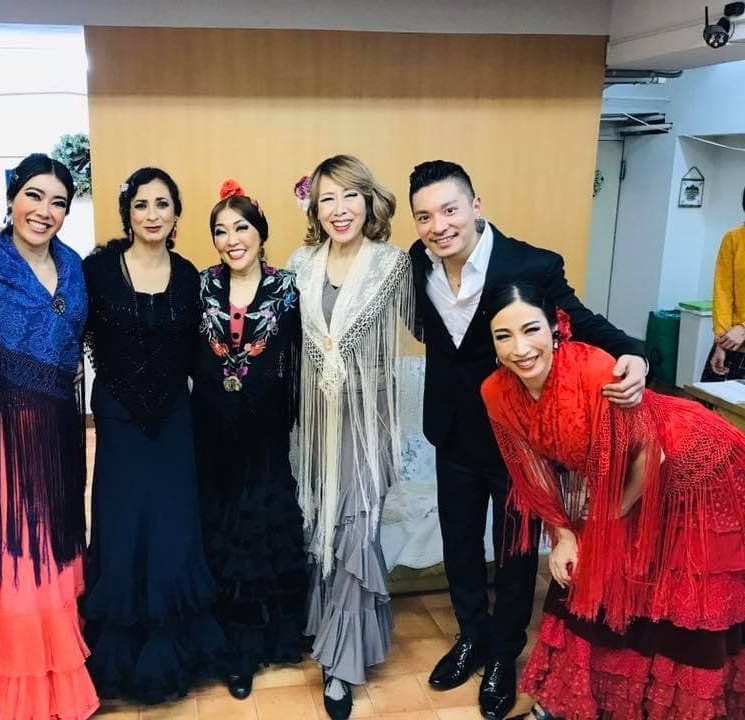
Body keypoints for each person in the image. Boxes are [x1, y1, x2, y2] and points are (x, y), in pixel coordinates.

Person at [407, 160, 647, 720]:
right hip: (451, 429)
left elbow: (582, 321)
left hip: (517, 435)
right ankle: (471, 636)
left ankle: (503, 653)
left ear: (476, 206)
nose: (439, 226)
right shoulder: (418, 261)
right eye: (425, 216)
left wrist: (635, 352)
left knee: (515, 551)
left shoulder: (530, 264)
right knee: (459, 542)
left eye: (449, 210)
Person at [481, 281, 745, 720]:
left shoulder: (593, 370)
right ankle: (580, 699)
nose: (520, 349)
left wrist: (604, 519)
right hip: (634, 475)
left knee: (677, 594)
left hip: (694, 467)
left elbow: (650, 454)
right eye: (503, 336)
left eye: (531, 330)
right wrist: (564, 536)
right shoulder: (496, 392)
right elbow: (531, 469)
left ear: (556, 328)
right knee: (596, 575)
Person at [0, 154, 98, 720]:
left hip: (59, 431)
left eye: (58, 202)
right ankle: (14, 688)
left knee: (56, 545)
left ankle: (60, 673)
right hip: (4, 441)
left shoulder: (74, 266)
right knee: (16, 552)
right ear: (12, 199)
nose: (45, 211)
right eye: (34, 196)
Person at [81, 167, 225, 704]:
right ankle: (122, 652)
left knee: (172, 529)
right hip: (118, 423)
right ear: (127, 213)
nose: (152, 214)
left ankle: (173, 648)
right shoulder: (96, 271)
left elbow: (200, 353)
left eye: (162, 204)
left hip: (174, 424)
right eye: (141, 204)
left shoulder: (189, 276)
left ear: (176, 214)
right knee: (122, 528)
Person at [287, 155, 415, 720]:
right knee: (322, 522)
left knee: (358, 527)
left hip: (368, 423)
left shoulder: (393, 265)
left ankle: (341, 664)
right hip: (317, 422)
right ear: (315, 208)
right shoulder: (301, 264)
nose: (339, 210)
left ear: (369, 201)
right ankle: (325, 628)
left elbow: (431, 325)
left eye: (349, 196)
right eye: (327, 199)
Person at [192, 180, 307, 700]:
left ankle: (255, 645)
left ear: (260, 233)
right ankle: (224, 643)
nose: (232, 239)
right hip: (211, 431)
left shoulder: (288, 288)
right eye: (221, 231)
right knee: (219, 530)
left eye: (241, 227)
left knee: (259, 530)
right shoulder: (200, 286)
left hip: (264, 432)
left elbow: (301, 359)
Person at [704, 186, 745, 380]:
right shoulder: (734, 238)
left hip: (739, 335)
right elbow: (723, 291)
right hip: (731, 344)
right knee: (709, 399)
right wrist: (720, 342)